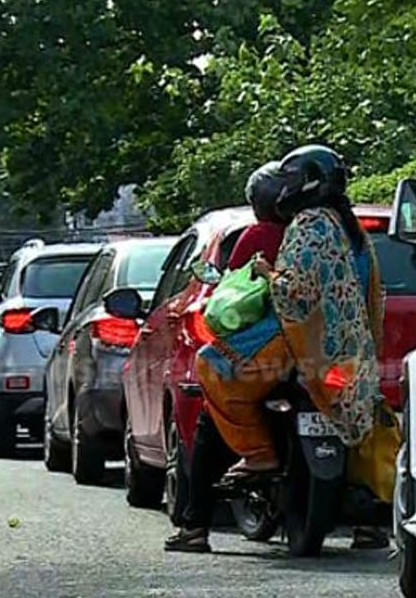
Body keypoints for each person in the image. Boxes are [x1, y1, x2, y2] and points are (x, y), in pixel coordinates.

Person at [166, 146, 389, 552]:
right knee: (354, 420)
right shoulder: (355, 232)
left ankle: (214, 504)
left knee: (211, 377)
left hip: (297, 347)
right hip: (343, 358)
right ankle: (369, 522)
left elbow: (296, 294)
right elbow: (375, 299)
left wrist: (267, 272)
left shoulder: (303, 226)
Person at [166, 161, 287, 554]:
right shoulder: (332, 236)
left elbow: (231, 298)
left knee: (208, 423)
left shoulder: (257, 237)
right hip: (323, 354)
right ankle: (370, 523)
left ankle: (195, 527)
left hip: (259, 354)